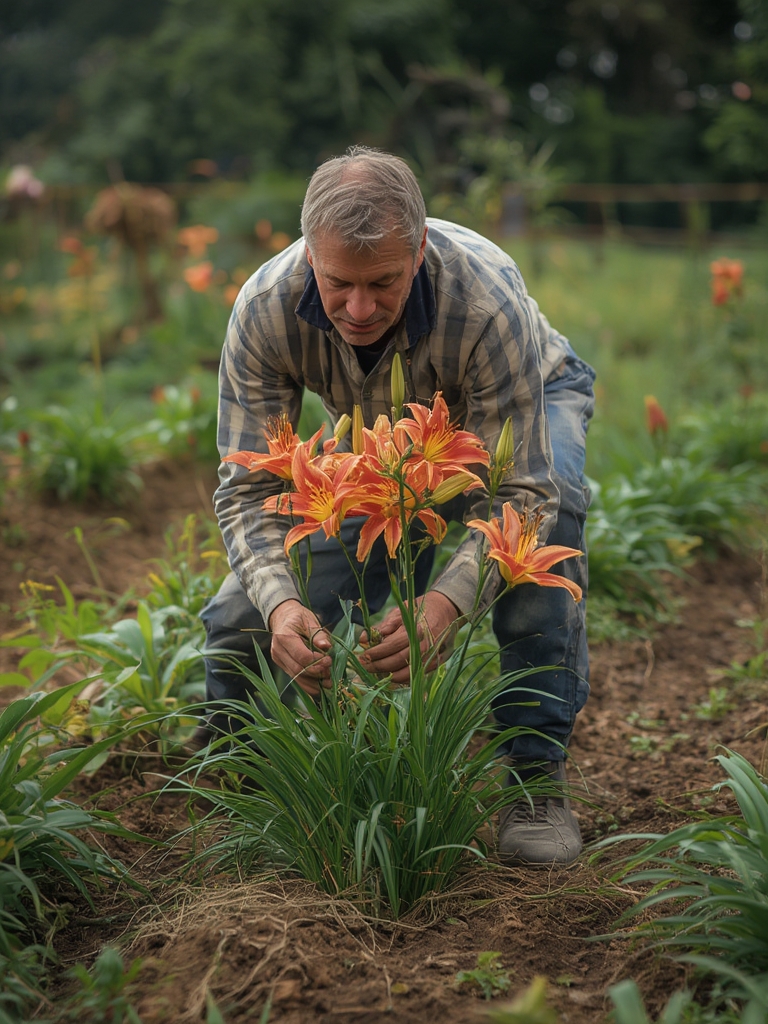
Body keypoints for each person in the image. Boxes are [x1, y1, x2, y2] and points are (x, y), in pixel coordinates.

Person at [201, 146, 596, 866]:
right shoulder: (264, 309)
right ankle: (232, 765)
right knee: (243, 612)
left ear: (417, 251)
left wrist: (445, 603)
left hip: (521, 409)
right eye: (337, 284)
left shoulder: (483, 303)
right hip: (383, 441)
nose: (358, 309)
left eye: (382, 283)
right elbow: (249, 490)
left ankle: (535, 774)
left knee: (546, 534)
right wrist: (285, 608)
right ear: (309, 253)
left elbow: (527, 490)